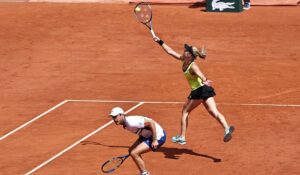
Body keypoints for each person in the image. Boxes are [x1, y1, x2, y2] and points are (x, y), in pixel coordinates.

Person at [153, 36, 234, 145]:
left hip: (198, 91)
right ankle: (226, 128)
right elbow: (171, 52)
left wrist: (205, 80)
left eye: (187, 50)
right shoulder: (183, 59)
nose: (184, 50)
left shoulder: (193, 66)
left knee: (185, 112)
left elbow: (200, 74)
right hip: (205, 90)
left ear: (190, 55)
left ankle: (182, 137)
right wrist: (160, 41)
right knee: (213, 112)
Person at [109, 107, 166, 175]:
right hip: (146, 135)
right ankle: (143, 171)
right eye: (113, 117)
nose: (114, 119)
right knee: (131, 150)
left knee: (134, 153)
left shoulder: (130, 122)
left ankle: (144, 173)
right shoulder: (125, 125)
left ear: (122, 115)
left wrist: (154, 140)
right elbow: (142, 130)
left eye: (115, 116)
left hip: (158, 135)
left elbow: (151, 123)